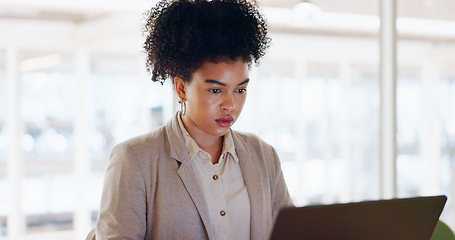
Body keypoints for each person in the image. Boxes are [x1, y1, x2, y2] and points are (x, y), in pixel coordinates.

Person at [95, 0, 294, 239]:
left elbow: (291, 233)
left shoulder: (263, 156)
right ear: (181, 88)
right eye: (215, 90)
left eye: (240, 90)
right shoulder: (136, 160)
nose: (230, 104)